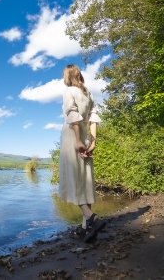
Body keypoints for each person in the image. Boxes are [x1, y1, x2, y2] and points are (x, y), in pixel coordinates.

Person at [59, 64, 106, 243]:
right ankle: (86, 228)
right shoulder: (88, 93)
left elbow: (73, 116)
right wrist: (92, 141)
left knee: (73, 179)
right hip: (86, 135)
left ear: (67, 76)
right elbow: (93, 118)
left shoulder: (69, 91)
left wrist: (78, 141)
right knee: (85, 178)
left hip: (73, 136)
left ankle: (90, 216)